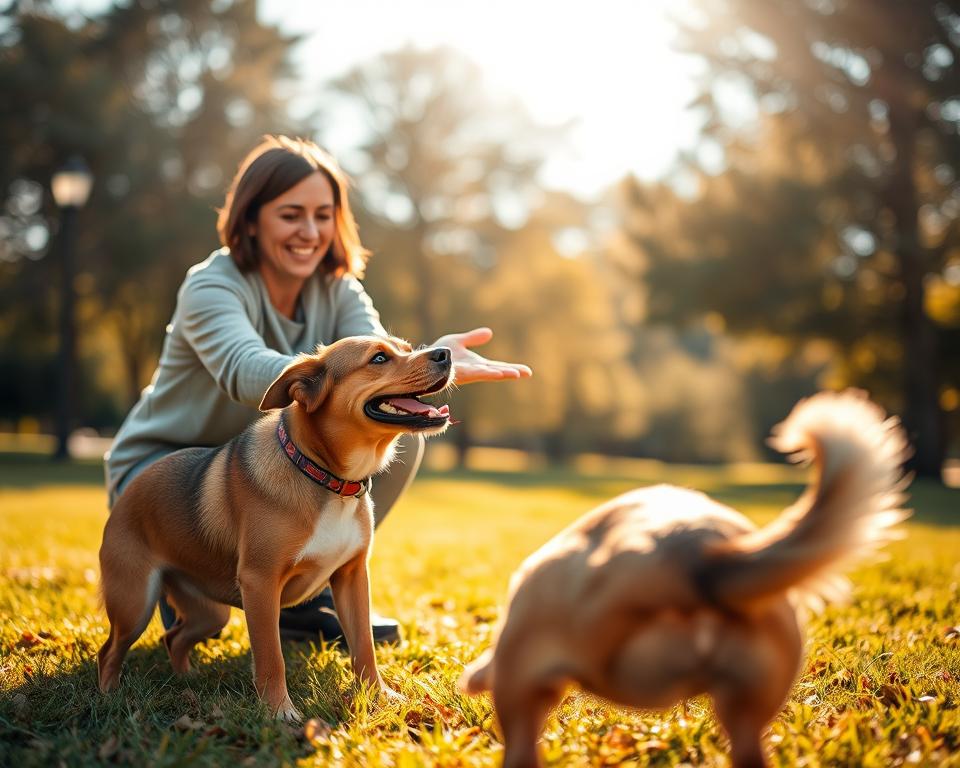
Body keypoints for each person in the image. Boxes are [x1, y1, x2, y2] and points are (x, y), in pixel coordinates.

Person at [104, 135, 531, 644]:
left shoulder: (340, 288)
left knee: (394, 428)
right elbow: (245, 368)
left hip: (270, 462)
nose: (310, 231)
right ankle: (197, 570)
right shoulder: (211, 285)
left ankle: (311, 584)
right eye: (291, 215)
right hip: (170, 479)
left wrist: (428, 364)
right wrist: (322, 375)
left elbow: (379, 365)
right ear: (251, 219)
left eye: (323, 215)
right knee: (282, 450)